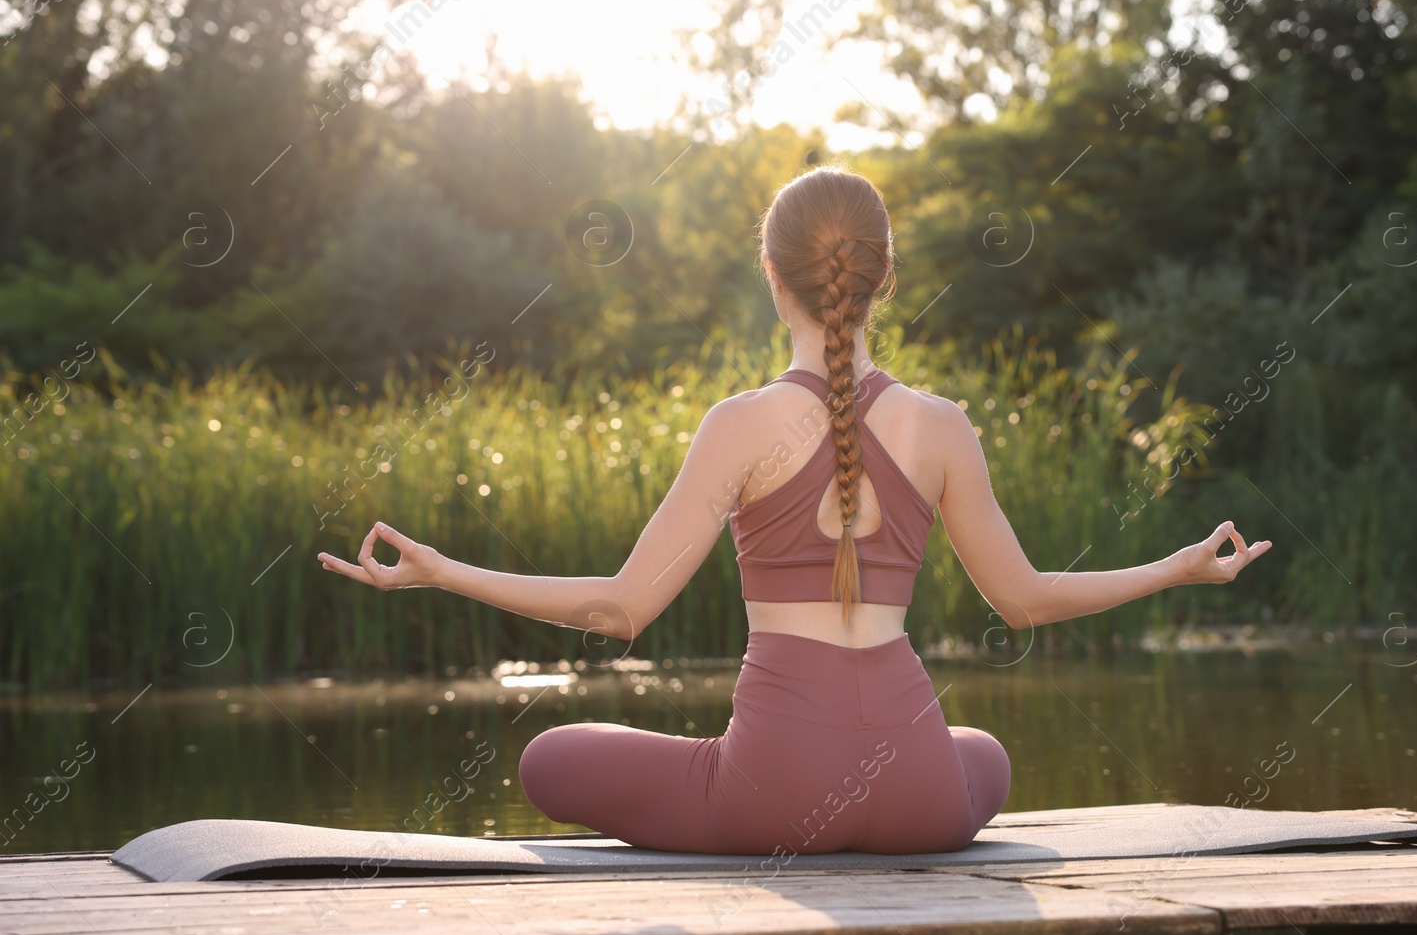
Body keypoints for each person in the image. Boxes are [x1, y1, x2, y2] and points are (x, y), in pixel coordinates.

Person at [317, 164, 1272, 856]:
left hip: (772, 793)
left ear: (772, 278)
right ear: (883, 276)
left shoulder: (739, 426)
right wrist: (1176, 566)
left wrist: (444, 570)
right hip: (919, 795)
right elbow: (1023, 601)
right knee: (983, 752)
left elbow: (620, 609)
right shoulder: (943, 426)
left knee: (552, 756)